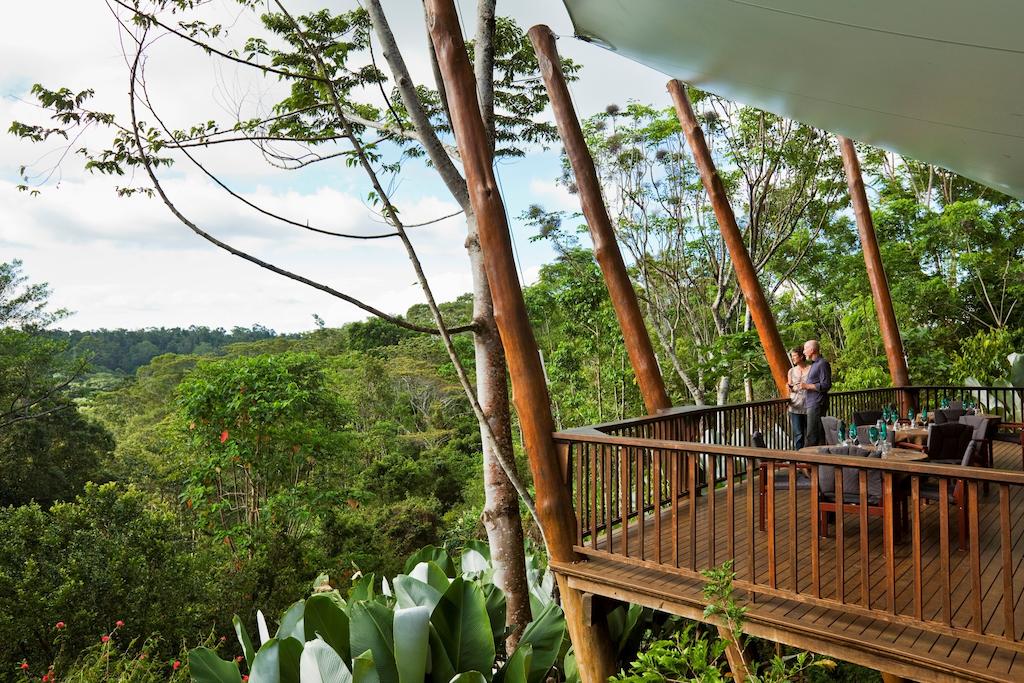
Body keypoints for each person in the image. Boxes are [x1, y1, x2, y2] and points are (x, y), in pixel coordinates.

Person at [801, 339, 833, 446]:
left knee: (812, 435)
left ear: (812, 350)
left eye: (805, 349)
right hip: (812, 403)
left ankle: (809, 461)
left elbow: (826, 385)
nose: (804, 352)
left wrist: (807, 386)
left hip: (817, 403)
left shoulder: (822, 363)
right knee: (817, 433)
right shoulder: (814, 364)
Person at [787, 347, 809, 450]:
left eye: (794, 356)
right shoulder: (791, 371)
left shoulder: (811, 369)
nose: (793, 359)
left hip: (808, 405)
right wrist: (789, 387)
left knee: (809, 433)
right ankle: (799, 459)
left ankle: (810, 457)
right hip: (795, 406)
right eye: (792, 357)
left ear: (801, 356)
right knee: (798, 434)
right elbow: (790, 388)